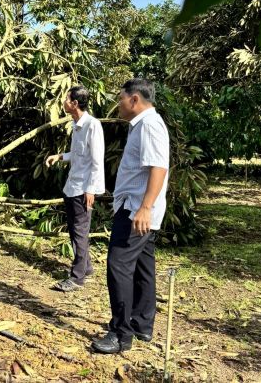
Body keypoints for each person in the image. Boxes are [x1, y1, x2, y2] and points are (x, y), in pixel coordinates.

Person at [92, 78, 170, 354]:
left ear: (134, 99)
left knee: (119, 266)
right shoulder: (145, 125)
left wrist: (145, 207)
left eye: (121, 98)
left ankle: (121, 333)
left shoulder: (148, 125)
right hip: (138, 208)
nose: (118, 104)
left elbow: (158, 168)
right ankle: (142, 325)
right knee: (142, 267)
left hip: (136, 209)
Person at [45, 85, 105, 291]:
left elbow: (97, 161)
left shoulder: (92, 125)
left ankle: (77, 278)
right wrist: (60, 156)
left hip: (83, 188)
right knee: (74, 230)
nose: (63, 102)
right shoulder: (77, 124)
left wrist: (91, 190)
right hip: (72, 185)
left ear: (74, 104)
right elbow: (78, 154)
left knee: (80, 231)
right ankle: (86, 267)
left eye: (66, 99)